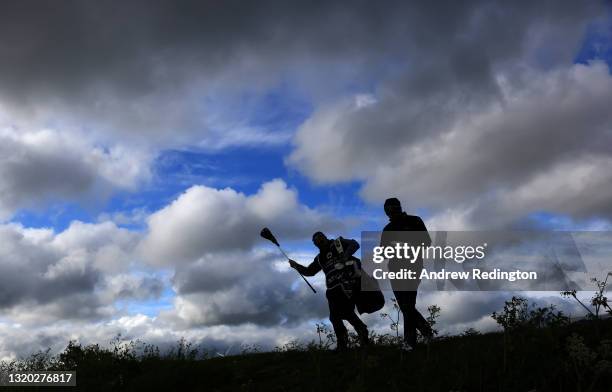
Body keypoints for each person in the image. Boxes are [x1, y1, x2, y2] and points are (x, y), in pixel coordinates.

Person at [289, 232, 369, 351]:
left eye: (320, 239)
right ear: (315, 245)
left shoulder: (337, 243)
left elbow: (354, 244)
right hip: (332, 289)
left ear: (325, 237)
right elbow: (310, 271)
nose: (319, 242)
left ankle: (355, 340)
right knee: (338, 316)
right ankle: (350, 340)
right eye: (316, 242)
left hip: (347, 284)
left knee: (341, 314)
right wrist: (296, 266)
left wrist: (346, 255)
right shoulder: (320, 258)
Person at [381, 197, 433, 350]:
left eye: (394, 207)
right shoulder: (387, 229)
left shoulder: (415, 221)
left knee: (408, 304)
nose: (391, 210)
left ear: (399, 206)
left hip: (413, 266)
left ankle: (410, 342)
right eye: (388, 209)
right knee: (405, 306)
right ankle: (426, 331)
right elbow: (384, 252)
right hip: (395, 269)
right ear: (386, 212)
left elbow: (426, 242)